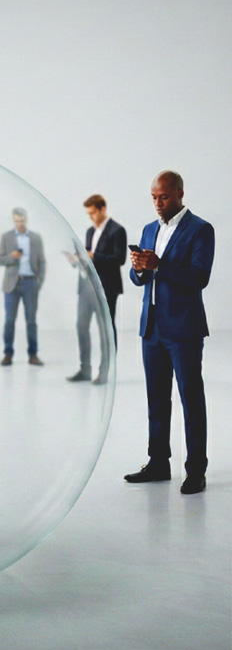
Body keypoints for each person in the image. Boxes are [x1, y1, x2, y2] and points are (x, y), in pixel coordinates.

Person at [125, 171, 214, 494]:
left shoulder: (201, 229)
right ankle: (159, 462)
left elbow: (199, 277)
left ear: (179, 193)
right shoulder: (149, 229)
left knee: (191, 399)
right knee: (157, 399)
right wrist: (138, 267)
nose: (157, 203)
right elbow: (140, 279)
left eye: (163, 196)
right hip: (152, 328)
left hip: (183, 329)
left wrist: (159, 265)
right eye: (153, 197)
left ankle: (195, 471)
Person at [67, 194, 127, 384]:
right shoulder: (89, 232)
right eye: (88, 214)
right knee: (81, 326)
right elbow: (88, 259)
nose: (91, 217)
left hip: (106, 288)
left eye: (93, 213)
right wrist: (78, 260)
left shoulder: (117, 230)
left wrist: (94, 256)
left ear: (102, 209)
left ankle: (105, 371)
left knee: (105, 330)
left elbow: (120, 259)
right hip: (86, 287)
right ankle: (85, 369)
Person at [0, 207, 45, 365]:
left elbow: (41, 261)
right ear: (13, 220)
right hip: (12, 283)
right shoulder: (7, 237)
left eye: (22, 221)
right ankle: (8, 354)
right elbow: (0, 259)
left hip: (30, 282)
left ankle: (33, 354)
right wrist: (12, 256)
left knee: (31, 320)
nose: (19, 224)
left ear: (26, 220)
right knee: (9, 320)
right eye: (17, 221)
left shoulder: (36, 238)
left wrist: (39, 281)